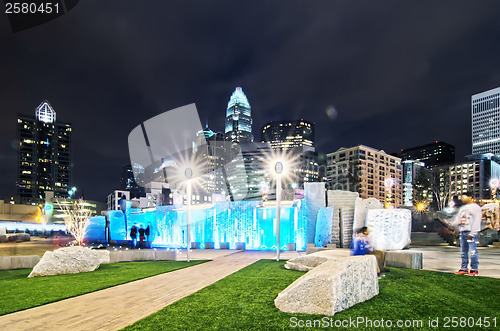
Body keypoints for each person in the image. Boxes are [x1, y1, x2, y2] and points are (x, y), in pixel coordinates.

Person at [450, 192, 481, 276]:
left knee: (473, 251)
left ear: (470, 197)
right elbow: (458, 219)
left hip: (470, 232)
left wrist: (473, 233)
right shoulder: (463, 208)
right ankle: (464, 268)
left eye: (464, 197)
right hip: (463, 232)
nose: (462, 199)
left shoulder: (476, 207)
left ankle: (474, 269)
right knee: (463, 252)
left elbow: (477, 221)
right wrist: (452, 224)